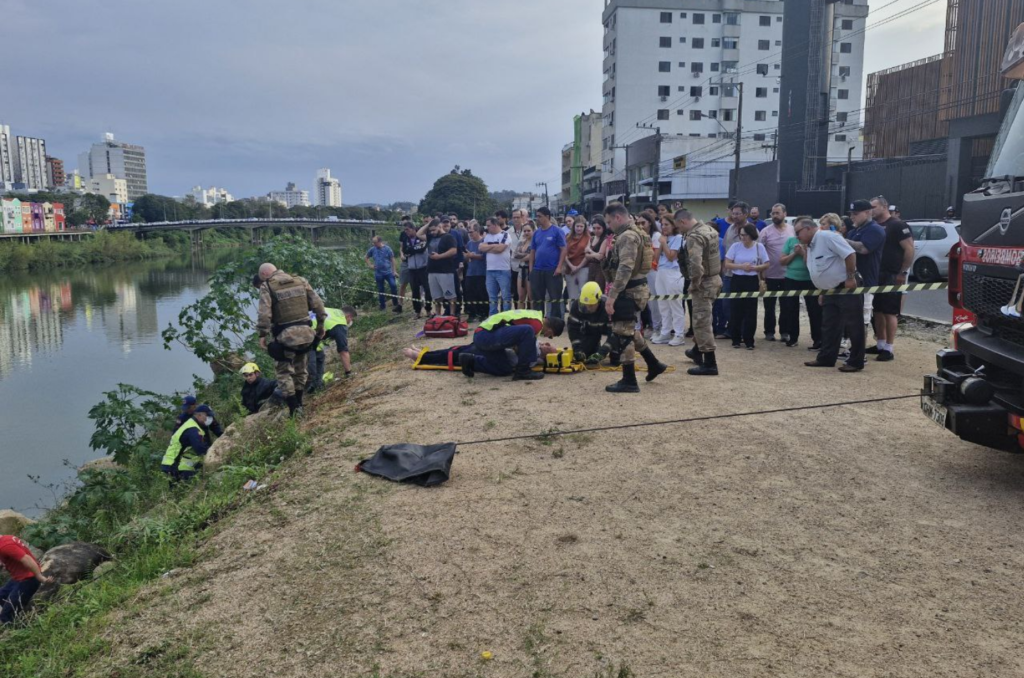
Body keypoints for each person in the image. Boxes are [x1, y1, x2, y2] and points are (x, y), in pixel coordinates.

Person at [601, 203, 667, 393]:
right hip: (636, 288)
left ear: (618, 218)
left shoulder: (628, 236)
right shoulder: (638, 232)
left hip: (628, 290)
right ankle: (653, 363)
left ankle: (629, 379)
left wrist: (612, 295)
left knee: (623, 334)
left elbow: (625, 268)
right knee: (629, 329)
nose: (609, 226)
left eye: (609, 222)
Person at [256, 262, 327, 416]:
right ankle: (300, 403)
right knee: (301, 370)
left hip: (285, 337)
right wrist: (320, 327)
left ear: (264, 275)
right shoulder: (300, 280)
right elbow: (319, 306)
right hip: (306, 335)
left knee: (284, 373)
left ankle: (294, 408)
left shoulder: (267, 286)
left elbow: (264, 314)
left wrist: (262, 334)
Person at [801, 219, 864, 372]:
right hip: (830, 290)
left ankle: (856, 362)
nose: (797, 236)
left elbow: (850, 254)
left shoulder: (827, 237)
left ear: (808, 229)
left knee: (853, 325)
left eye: (798, 232)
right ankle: (826, 358)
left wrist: (850, 277)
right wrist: (823, 290)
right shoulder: (811, 245)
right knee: (829, 326)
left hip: (845, 286)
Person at [868, 196, 914, 362]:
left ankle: (889, 347)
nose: (871, 210)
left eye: (873, 207)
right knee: (877, 310)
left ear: (884, 206)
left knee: (889, 311)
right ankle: (880, 344)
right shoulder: (874, 226)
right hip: (876, 274)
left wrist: (903, 272)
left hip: (892, 273)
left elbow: (909, 248)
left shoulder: (897, 225)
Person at [677, 209, 723, 375]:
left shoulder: (693, 236)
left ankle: (710, 364)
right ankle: (697, 350)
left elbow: (696, 265)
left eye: (678, 226)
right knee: (704, 318)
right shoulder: (710, 230)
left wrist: (694, 283)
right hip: (716, 278)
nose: (679, 230)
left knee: (701, 322)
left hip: (704, 283)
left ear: (682, 222)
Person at [457, 310, 564, 380]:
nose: (547, 337)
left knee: (505, 369)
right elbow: (517, 347)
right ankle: (523, 371)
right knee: (528, 330)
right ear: (550, 330)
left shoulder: (534, 316)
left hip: (484, 335)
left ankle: (470, 361)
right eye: (550, 336)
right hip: (486, 335)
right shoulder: (537, 324)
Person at [779, 217, 823, 349]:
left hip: (810, 279)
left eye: (799, 231)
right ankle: (793, 337)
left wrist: (803, 252)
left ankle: (817, 339)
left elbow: (811, 263)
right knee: (791, 309)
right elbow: (782, 261)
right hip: (791, 278)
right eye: (796, 231)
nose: (798, 235)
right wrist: (794, 253)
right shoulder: (790, 241)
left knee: (814, 310)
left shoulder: (812, 242)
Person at [724, 224, 769, 350]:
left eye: (745, 235)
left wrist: (755, 268)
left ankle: (749, 339)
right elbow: (727, 264)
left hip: (752, 280)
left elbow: (766, 264)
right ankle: (736, 338)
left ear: (751, 235)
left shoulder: (759, 247)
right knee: (736, 310)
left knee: (751, 311)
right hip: (737, 280)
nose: (742, 237)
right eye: (741, 235)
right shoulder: (735, 246)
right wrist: (741, 267)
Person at [844, 198, 886, 330]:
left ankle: (858, 348)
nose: (852, 217)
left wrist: (841, 240)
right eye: (851, 214)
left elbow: (864, 248)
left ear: (868, 212)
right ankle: (850, 345)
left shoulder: (875, 229)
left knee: (864, 315)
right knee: (851, 315)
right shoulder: (853, 231)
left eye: (855, 214)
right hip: (853, 279)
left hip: (866, 280)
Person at [760, 204, 795, 342]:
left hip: (787, 275)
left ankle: (785, 332)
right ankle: (769, 332)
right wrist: (761, 273)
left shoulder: (792, 230)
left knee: (786, 306)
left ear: (785, 214)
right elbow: (760, 253)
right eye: (773, 213)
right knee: (769, 306)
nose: (774, 216)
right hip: (770, 275)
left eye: (777, 213)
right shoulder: (765, 232)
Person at [651, 215, 686, 346]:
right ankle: (665, 332)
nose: (664, 227)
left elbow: (671, 256)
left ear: (673, 225)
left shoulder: (678, 238)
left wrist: (664, 243)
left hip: (673, 272)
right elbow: (656, 258)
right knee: (663, 304)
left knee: (675, 304)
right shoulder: (663, 238)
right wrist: (661, 243)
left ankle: (679, 334)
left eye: (667, 224)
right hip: (661, 271)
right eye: (662, 224)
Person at [1, 534, 51, 625]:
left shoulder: (5, 546)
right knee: (1, 596)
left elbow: (27, 559)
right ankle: (16, 612)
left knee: (5, 616)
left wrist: (39, 576)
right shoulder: (6, 538)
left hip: (28, 579)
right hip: (18, 578)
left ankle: (17, 631)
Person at [161, 404, 216, 481]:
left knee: (177, 490)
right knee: (183, 488)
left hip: (171, 463)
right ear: (199, 415)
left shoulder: (191, 424)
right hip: (174, 464)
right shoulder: (193, 429)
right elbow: (200, 450)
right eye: (207, 416)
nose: (209, 418)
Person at [529, 207, 567, 319]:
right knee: (537, 299)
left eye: (540, 216)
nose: (537, 218)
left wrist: (559, 267)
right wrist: (531, 269)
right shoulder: (536, 233)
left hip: (552, 270)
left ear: (547, 217)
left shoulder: (557, 231)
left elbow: (563, 249)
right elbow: (532, 251)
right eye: (537, 216)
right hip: (537, 270)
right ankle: (539, 323)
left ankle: (555, 323)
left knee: (554, 298)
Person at [719, 201, 750, 336]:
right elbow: (725, 249)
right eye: (733, 213)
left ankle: (743, 332)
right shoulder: (730, 229)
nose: (735, 216)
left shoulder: (752, 230)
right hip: (729, 274)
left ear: (745, 214)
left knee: (743, 305)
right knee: (727, 304)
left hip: (746, 274)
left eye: (738, 213)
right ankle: (733, 329)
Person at [418, 219, 458, 317]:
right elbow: (419, 234)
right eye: (430, 230)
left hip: (445, 271)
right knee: (436, 296)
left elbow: (453, 251)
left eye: (434, 230)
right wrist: (429, 223)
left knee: (450, 294)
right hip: (432, 270)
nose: (432, 232)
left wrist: (439, 256)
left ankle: (452, 314)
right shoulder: (431, 237)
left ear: (440, 227)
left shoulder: (448, 237)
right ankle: (438, 314)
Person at [567, 281, 613, 364]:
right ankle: (594, 348)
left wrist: (602, 352)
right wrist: (577, 349)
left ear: (599, 300)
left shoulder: (608, 307)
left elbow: (614, 334)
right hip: (590, 331)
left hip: (607, 329)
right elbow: (573, 330)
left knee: (616, 359)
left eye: (591, 305)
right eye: (585, 304)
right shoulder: (576, 307)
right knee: (584, 357)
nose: (588, 308)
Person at [480, 216, 513, 316]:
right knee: (492, 296)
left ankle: (506, 316)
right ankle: (493, 315)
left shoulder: (505, 234)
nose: (487, 228)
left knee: (505, 295)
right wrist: (495, 246)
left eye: (489, 225)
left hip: (503, 270)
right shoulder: (487, 236)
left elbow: (500, 249)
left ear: (495, 225)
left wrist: (488, 247)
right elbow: (481, 248)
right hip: (490, 270)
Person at [637, 210, 662, 337]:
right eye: (638, 223)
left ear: (650, 223)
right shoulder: (638, 235)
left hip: (653, 271)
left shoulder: (656, 236)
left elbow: (655, 257)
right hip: (642, 271)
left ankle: (658, 327)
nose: (641, 225)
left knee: (654, 301)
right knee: (645, 301)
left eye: (643, 223)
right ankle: (651, 326)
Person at [401, 222, 430, 319]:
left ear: (413, 229)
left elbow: (422, 248)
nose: (406, 232)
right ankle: (417, 311)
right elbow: (405, 251)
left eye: (408, 230)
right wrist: (413, 250)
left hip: (423, 267)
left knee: (427, 289)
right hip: (412, 269)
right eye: (405, 230)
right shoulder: (406, 239)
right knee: (415, 292)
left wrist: (411, 250)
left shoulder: (421, 237)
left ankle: (428, 310)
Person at [365, 236, 401, 313]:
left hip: (388, 272)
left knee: (393, 286)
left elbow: (392, 260)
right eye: (373, 242)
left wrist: (394, 271)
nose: (373, 244)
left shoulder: (387, 249)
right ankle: (382, 306)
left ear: (380, 242)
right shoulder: (372, 249)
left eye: (375, 242)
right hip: (378, 273)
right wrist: (370, 265)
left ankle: (395, 303)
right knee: (381, 290)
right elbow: (366, 257)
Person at [562, 216, 591, 305]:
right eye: (577, 226)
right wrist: (571, 266)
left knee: (583, 292)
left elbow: (587, 254)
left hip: (583, 267)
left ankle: (582, 314)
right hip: (570, 268)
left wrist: (578, 267)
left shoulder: (588, 237)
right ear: (574, 226)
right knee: (572, 295)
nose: (579, 228)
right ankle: (572, 314)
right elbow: (564, 253)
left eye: (581, 226)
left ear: (584, 227)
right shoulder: (568, 237)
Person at [463, 223, 488, 322]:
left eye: (471, 232)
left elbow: (484, 256)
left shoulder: (483, 242)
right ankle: (472, 313)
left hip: (481, 272)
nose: (470, 234)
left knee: (482, 293)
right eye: (468, 232)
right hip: (470, 272)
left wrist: (473, 256)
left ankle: (483, 313)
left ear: (477, 231)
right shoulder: (469, 243)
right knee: (469, 293)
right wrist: (466, 256)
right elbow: (466, 256)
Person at [584, 217, 612, 291]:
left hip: (600, 268)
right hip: (591, 267)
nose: (596, 230)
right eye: (594, 228)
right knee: (590, 290)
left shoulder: (605, 239)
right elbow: (586, 255)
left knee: (598, 289)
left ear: (603, 228)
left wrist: (590, 251)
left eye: (598, 228)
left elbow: (600, 257)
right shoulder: (592, 238)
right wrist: (595, 254)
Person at [507, 209, 527, 303]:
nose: (516, 219)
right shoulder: (508, 232)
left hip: (527, 265)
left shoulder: (528, 230)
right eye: (514, 217)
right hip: (514, 266)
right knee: (516, 294)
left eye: (518, 217)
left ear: (522, 217)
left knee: (529, 294)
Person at [513, 222, 534, 308]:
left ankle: (533, 318)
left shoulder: (535, 243)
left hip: (531, 270)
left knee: (531, 297)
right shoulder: (521, 242)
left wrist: (524, 256)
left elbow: (533, 256)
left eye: (528, 230)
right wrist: (527, 255)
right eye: (524, 231)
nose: (526, 233)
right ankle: (520, 318)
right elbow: (515, 255)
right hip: (521, 270)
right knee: (521, 296)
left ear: (533, 231)